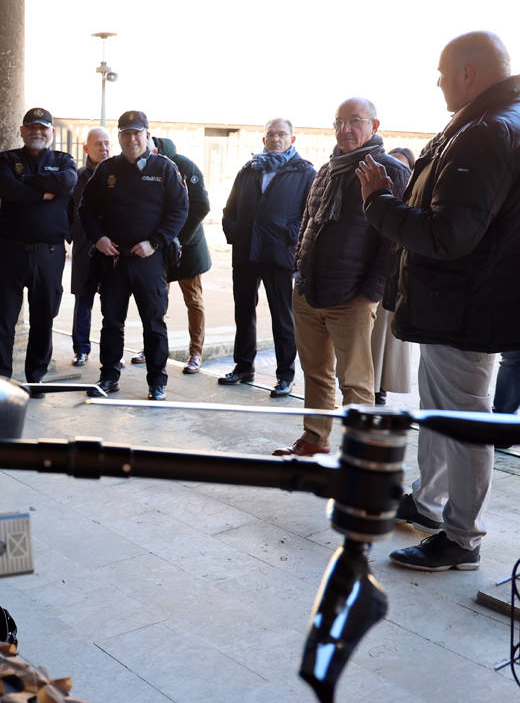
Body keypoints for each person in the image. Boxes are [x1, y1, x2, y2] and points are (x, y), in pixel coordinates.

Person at [358, 30, 520, 571]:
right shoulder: (493, 123)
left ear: (469, 74)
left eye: (443, 72)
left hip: (465, 307)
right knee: (444, 414)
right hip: (461, 304)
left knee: (464, 422)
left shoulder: (486, 131)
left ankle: (462, 539)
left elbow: (448, 235)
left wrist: (379, 201)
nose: (438, 82)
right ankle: (428, 505)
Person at [274, 99, 410, 457]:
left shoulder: (390, 171)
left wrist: (370, 293)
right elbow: (308, 221)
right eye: (339, 122)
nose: (345, 129)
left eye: (355, 121)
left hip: (351, 296)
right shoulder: (328, 168)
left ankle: (359, 452)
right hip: (308, 290)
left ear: (374, 125)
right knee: (315, 372)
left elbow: (393, 241)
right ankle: (315, 440)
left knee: (355, 380)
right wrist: (299, 271)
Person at [80, 110, 187, 400]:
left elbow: (180, 210)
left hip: (148, 260)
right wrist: (98, 237)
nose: (131, 138)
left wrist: (156, 242)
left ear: (147, 135)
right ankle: (109, 376)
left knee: (154, 324)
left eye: (137, 133)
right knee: (111, 322)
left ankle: (157, 381)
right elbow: (85, 209)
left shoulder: (164, 168)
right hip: (113, 259)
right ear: (119, 137)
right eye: (125, 133)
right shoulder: (107, 170)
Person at [220, 118, 316, 395]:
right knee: (243, 311)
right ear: (264, 140)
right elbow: (230, 208)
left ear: (292, 140)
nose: (276, 139)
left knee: (282, 316)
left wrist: (290, 235)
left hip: (279, 253)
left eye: (282, 135)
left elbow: (310, 215)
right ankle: (243, 366)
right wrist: (235, 232)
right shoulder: (250, 170)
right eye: (271, 135)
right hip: (246, 251)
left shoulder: (304, 172)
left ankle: (285, 375)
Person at [0, 107, 77, 391]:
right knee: (3, 317)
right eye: (31, 128)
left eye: (43, 128)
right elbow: (6, 188)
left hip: (48, 254)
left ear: (51, 133)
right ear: (22, 131)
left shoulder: (64, 161)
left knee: (42, 318)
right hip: (11, 252)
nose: (37, 132)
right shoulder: (8, 159)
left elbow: (68, 182)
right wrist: (43, 193)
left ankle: (35, 376)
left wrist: (26, 184)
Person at [129, 135, 210, 374]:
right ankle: (151, 347)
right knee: (154, 299)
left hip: (187, 245)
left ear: (157, 150)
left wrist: (177, 238)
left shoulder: (183, 165)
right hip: (158, 245)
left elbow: (201, 205)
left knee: (193, 300)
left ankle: (196, 352)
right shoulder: (142, 167)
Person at [371, 147, 417, 406]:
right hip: (377, 270)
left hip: (398, 272)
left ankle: (382, 386)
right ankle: (370, 384)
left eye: (402, 166)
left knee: (388, 335)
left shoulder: (413, 197)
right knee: (372, 334)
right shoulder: (378, 197)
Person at [68, 127, 110, 367]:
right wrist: (75, 236)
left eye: (107, 144)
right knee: (83, 300)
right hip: (85, 249)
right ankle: (81, 349)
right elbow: (68, 212)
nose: (103, 149)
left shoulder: (118, 175)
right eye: (98, 144)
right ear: (86, 148)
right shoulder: (78, 177)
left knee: (112, 303)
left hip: (111, 250)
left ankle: (111, 352)